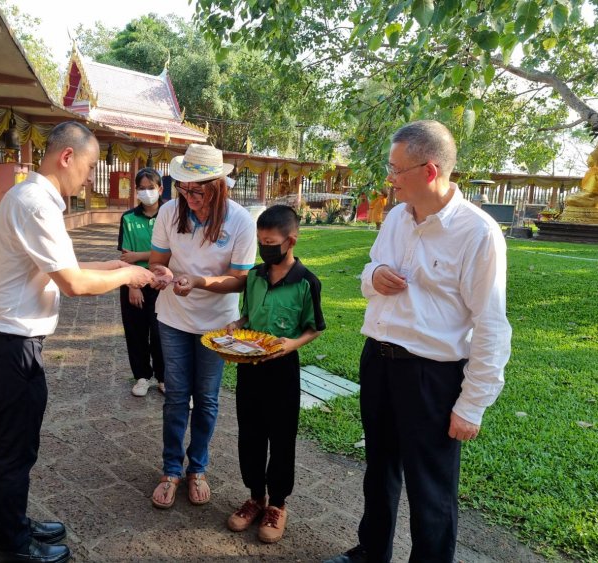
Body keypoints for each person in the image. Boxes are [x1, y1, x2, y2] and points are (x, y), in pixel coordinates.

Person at [0, 122, 155, 563]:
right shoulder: (36, 204)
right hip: (11, 348)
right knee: (13, 450)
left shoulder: (29, 198)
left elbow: (57, 264)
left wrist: (115, 263)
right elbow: (71, 283)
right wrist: (128, 274)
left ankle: (10, 524)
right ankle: (12, 545)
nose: (89, 179)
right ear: (67, 157)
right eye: (88, 167)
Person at [325, 120, 511, 563]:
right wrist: (374, 277)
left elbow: (491, 324)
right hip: (379, 359)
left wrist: (472, 404)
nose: (388, 178)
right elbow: (369, 272)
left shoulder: (478, 233)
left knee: (431, 486)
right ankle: (370, 553)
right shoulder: (396, 218)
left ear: (429, 171)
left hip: (431, 374)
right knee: (380, 468)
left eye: (395, 168)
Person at [147, 143, 257, 510]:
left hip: (217, 324)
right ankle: (170, 471)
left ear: (218, 184)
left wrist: (196, 281)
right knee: (177, 395)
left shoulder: (240, 221)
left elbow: (239, 279)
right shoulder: (168, 211)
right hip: (174, 317)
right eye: (183, 188)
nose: (189, 196)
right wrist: (161, 273)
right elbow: (159, 260)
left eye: (198, 190)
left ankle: (198, 468)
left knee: (207, 399)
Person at [224, 204, 324, 543]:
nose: (264, 248)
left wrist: (292, 344)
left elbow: (314, 328)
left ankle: (278, 504)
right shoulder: (254, 276)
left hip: (283, 372)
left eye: (270, 242)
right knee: (249, 434)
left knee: (281, 439)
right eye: (260, 241)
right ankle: (255, 497)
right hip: (249, 368)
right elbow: (247, 317)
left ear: (290, 240)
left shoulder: (307, 282)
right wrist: (235, 327)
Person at [118, 167, 165, 396]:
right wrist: (132, 286)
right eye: (142, 188)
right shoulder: (128, 218)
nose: (146, 192)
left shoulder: (170, 215)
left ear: (160, 189)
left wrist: (140, 255)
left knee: (160, 332)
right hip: (134, 280)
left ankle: (164, 377)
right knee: (136, 331)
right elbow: (126, 256)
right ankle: (142, 376)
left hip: (161, 282)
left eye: (151, 188)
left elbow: (172, 251)